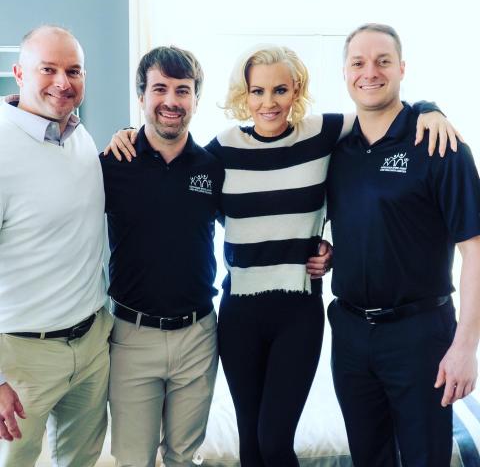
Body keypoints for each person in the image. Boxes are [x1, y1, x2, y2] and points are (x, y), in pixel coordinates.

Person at [106, 42, 457, 466]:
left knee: (274, 441)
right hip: (239, 314)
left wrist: (429, 109)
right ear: (245, 93)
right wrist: (127, 132)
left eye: (280, 90)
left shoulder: (323, 133)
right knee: (251, 445)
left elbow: (381, 110)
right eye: (258, 91)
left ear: (296, 91)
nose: (268, 102)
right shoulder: (220, 152)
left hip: (298, 313)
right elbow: (172, 162)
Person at [323, 23, 480, 467]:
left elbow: (475, 251)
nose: (370, 72)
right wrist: (325, 252)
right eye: (358, 62)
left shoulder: (439, 144)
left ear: (402, 68)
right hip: (350, 334)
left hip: (419, 335)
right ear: (345, 72)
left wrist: (466, 348)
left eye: (383, 61)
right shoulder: (336, 149)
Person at [100, 46, 224, 467]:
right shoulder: (112, 164)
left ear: (195, 100)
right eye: (160, 89)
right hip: (132, 335)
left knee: (183, 458)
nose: (171, 101)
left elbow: (253, 224)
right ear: (141, 96)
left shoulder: (213, 167)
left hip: (198, 334)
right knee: (134, 459)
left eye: (183, 90)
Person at [0, 26, 112, 466]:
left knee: (80, 460)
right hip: (21, 357)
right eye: (48, 69)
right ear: (19, 73)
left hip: (91, 343)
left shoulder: (80, 137)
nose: (62, 82)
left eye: (74, 71)